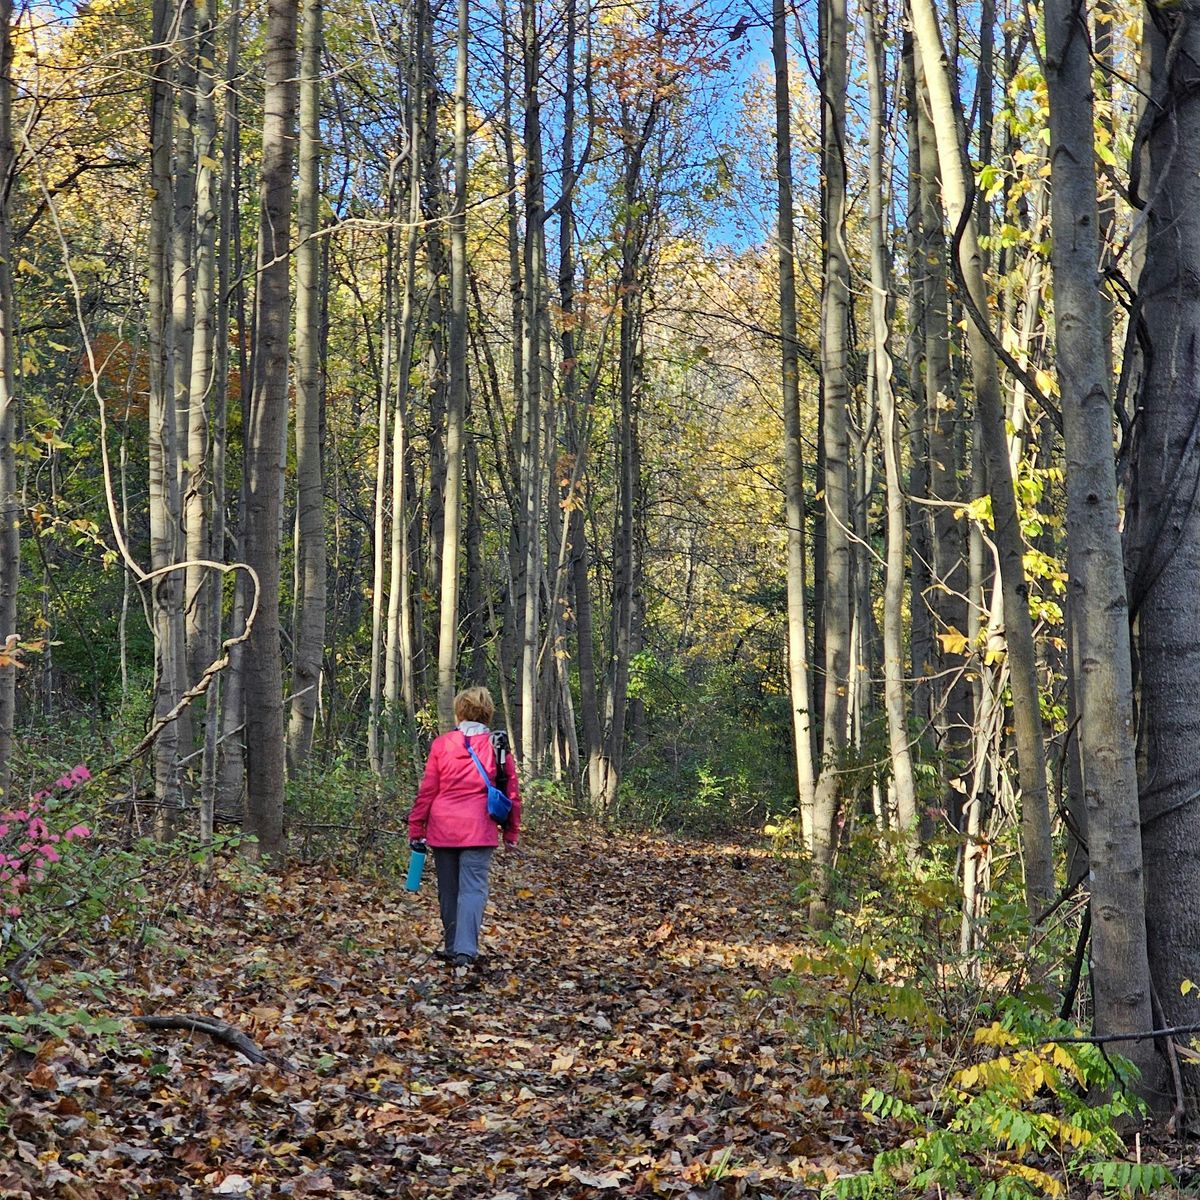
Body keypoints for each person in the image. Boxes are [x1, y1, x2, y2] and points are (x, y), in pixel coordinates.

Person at [407, 686, 520, 968]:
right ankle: (465, 951)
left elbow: (428, 791)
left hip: (443, 828)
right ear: (488, 713)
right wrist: (511, 831)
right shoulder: (497, 746)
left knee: (448, 889)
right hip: (479, 829)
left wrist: (416, 827)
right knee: (472, 890)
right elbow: (511, 791)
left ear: (459, 712)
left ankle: (452, 944)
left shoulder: (442, 744)